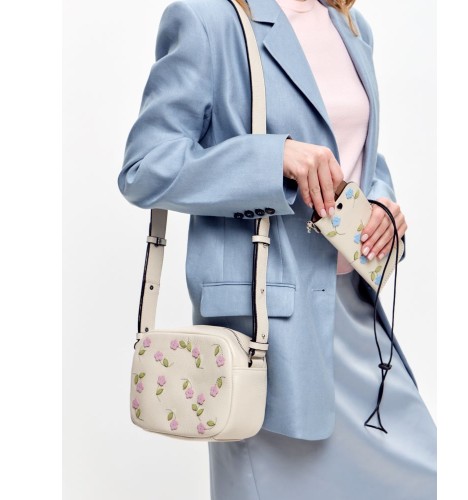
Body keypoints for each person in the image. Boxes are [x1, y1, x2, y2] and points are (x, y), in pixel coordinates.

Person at [117, 0, 437, 498]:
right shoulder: (209, 20)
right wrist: (273, 159)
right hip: (270, 330)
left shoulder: (351, 26)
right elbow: (145, 167)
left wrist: (379, 202)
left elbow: (357, 152)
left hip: (355, 314)